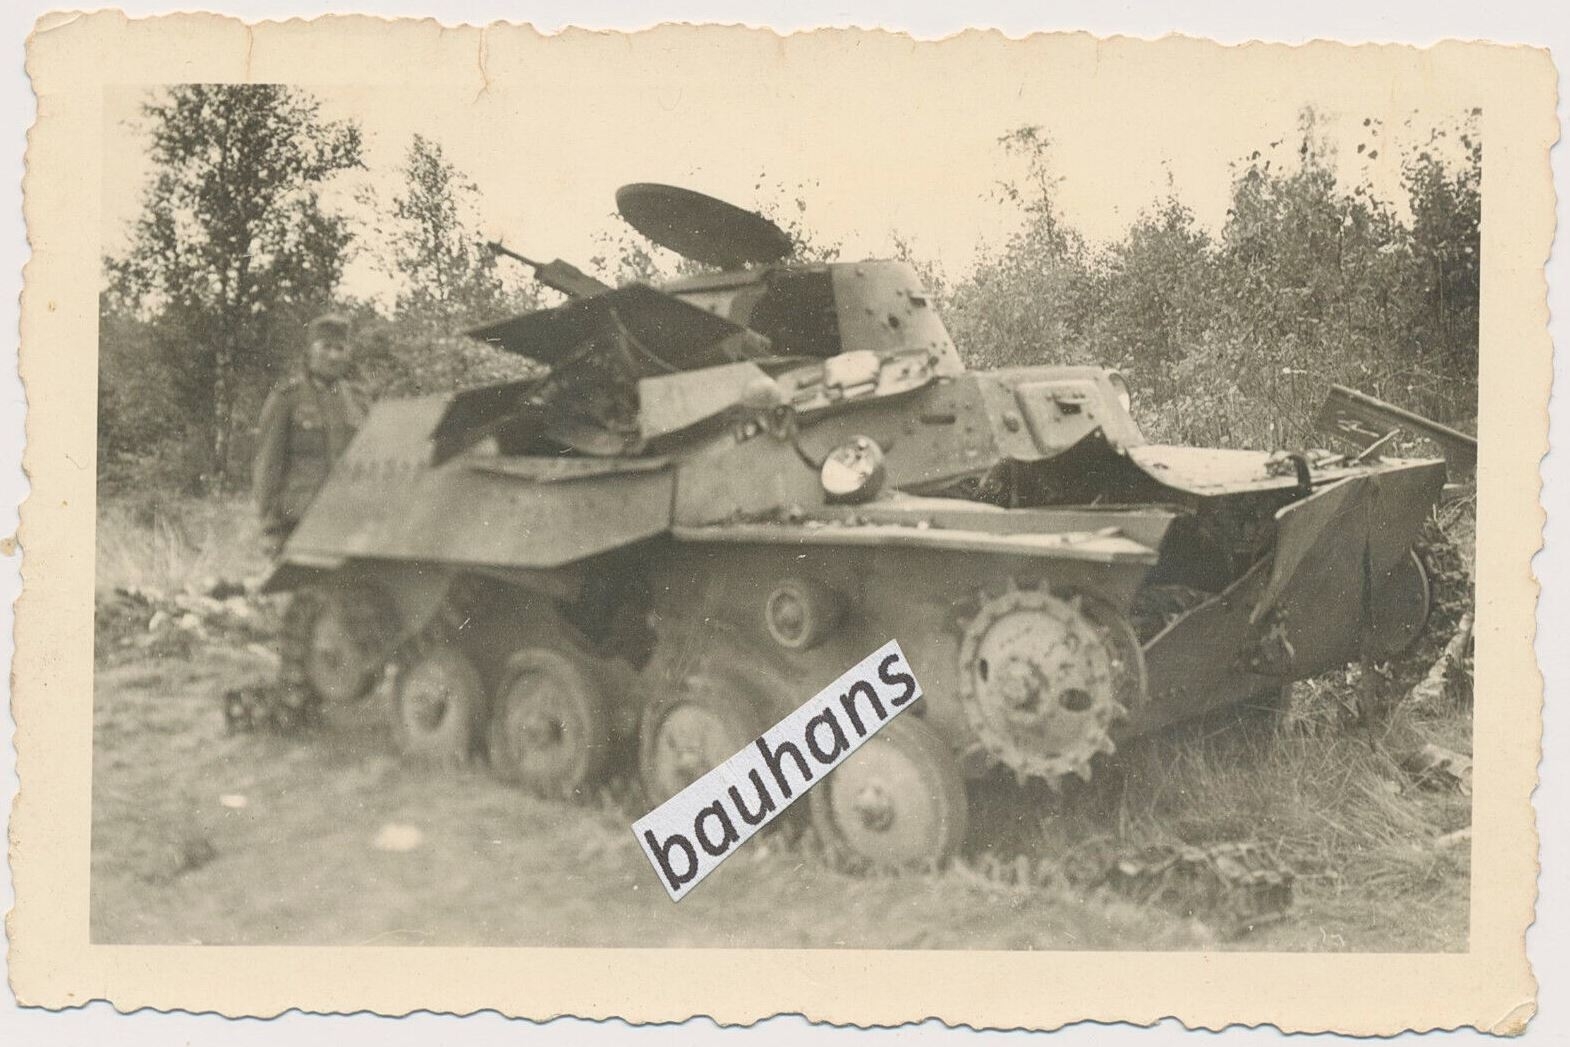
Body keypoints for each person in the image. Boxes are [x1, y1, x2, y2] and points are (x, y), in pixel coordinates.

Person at [252, 313, 366, 555]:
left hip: (345, 520)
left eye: (340, 348)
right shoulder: (287, 399)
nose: (333, 356)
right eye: (326, 347)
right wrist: (270, 527)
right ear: (311, 351)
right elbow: (268, 466)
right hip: (297, 522)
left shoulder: (358, 401)